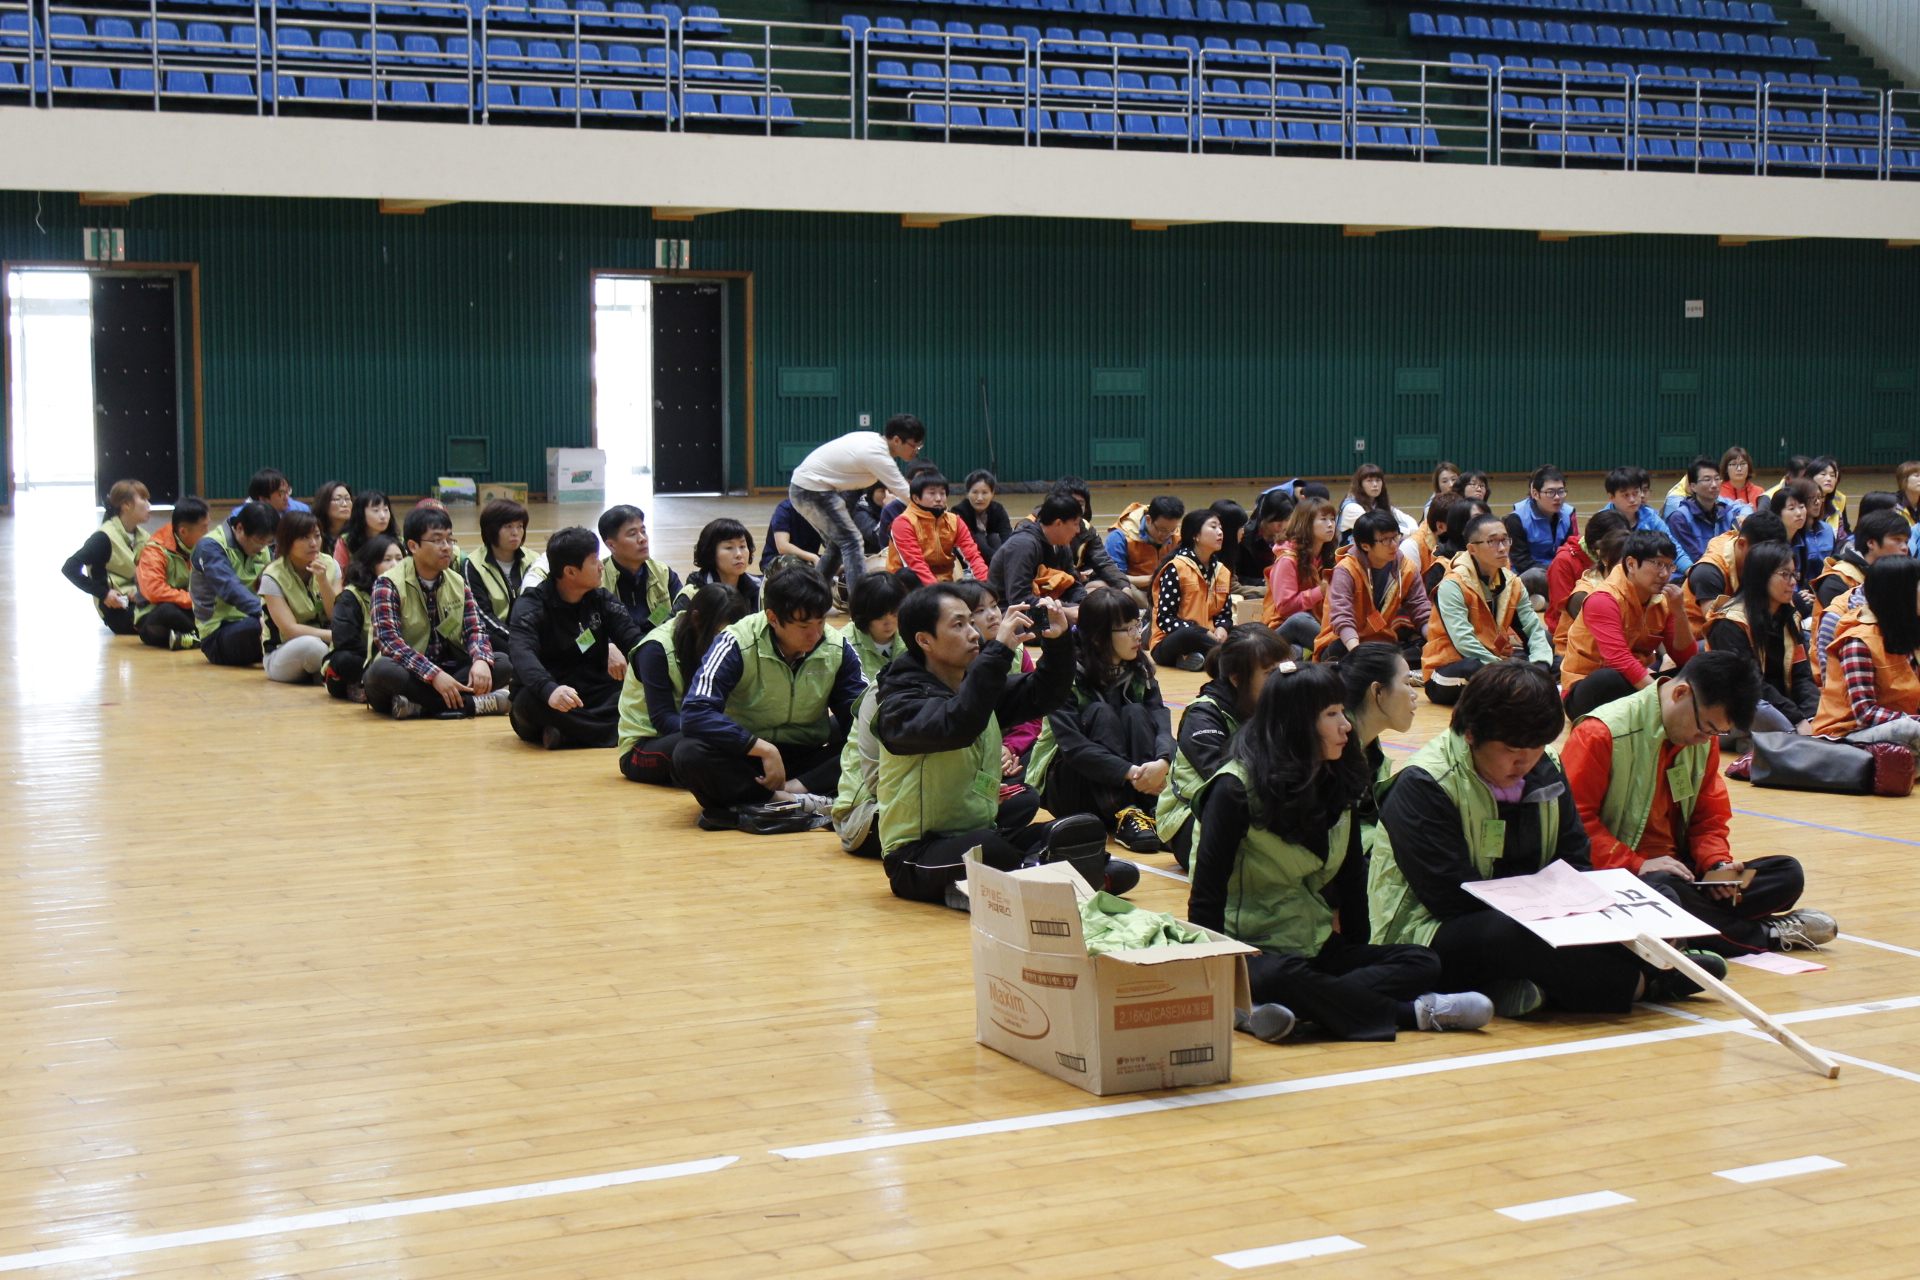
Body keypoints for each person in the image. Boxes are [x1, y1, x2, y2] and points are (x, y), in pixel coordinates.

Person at [1376, 661, 1722, 1018]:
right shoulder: (1425, 783)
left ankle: (1530, 987)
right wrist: (1548, 913)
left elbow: (1575, 857)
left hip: (1539, 912)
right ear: (1471, 734)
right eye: (1511, 751)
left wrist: (1582, 907)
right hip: (1434, 931)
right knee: (1511, 935)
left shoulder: (1547, 765)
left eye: (1537, 748)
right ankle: (1644, 982)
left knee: (1657, 891)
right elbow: (1452, 897)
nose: (1525, 763)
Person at [1188, 661, 1493, 1041]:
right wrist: (1216, 973)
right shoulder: (1234, 789)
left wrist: (1359, 953)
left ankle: (1289, 1009)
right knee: (1282, 977)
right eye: (1331, 714)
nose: (1346, 725)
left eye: (1342, 712)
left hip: (1314, 945)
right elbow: (1206, 895)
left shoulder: (1336, 776)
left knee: (1422, 960)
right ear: (1296, 723)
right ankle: (1412, 1014)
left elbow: (1351, 881)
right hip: (1253, 953)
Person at [874, 585, 1133, 908]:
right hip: (915, 856)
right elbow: (959, 723)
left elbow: (1045, 693)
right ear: (925, 640)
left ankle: (1027, 877)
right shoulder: (900, 703)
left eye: (971, 622)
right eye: (959, 625)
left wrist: (1057, 642)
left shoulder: (974, 688)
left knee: (1080, 830)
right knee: (989, 849)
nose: (973, 633)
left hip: (982, 833)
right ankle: (1052, 876)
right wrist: (1000, 650)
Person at [1564, 650, 1835, 953]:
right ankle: (1762, 934)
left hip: (1682, 873)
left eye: (1717, 732)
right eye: (1706, 727)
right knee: (1667, 891)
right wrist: (1638, 864)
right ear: (1681, 693)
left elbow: (1708, 816)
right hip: (1623, 876)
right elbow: (1575, 826)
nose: (1706, 739)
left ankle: (1694, 927)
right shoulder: (1600, 733)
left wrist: (1716, 863)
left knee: (1787, 873)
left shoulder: (1703, 739)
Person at [674, 567, 867, 829]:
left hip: (807, 759)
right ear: (773, 618)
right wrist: (763, 748)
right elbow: (695, 712)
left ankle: (780, 797)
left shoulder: (837, 647)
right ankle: (787, 800)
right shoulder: (736, 642)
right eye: (804, 626)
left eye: (821, 622)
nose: (815, 634)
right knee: (688, 754)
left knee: (869, 741)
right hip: (749, 758)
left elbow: (859, 715)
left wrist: (799, 782)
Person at [1024, 587, 1176, 854]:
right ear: (1097, 637)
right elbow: (1074, 748)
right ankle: (1126, 811)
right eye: (1127, 629)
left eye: (1137, 624)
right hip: (1069, 784)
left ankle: (1150, 810)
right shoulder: (1064, 675)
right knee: (1101, 713)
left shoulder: (1139, 669)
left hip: (1132, 781)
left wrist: (1162, 762)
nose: (1137, 635)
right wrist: (1132, 773)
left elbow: (1161, 724)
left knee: (1136, 712)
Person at [1155, 624, 1288, 868]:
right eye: (1271, 672)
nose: (1282, 680)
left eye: (1286, 669)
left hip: (1263, 805)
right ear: (1237, 679)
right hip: (1192, 816)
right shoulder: (1203, 715)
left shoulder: (1282, 703)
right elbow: (1226, 784)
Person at [364, 506, 512, 720]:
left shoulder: (457, 582)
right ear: (413, 546)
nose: (447, 547)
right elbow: (389, 642)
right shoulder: (388, 583)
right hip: (410, 672)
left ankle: (420, 706)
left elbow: (476, 629)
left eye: (450, 540)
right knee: (382, 670)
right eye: (437, 540)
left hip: (450, 671)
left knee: (502, 662)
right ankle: (471, 705)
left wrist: (481, 660)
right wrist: (433, 675)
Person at [504, 526, 646, 749]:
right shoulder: (531, 605)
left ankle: (570, 735)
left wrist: (658, 665)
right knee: (528, 703)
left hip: (594, 690)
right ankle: (616, 732)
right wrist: (549, 689)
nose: (601, 566)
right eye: (594, 560)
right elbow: (522, 654)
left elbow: (633, 639)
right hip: (551, 694)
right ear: (570, 572)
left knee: (636, 690)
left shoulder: (602, 600)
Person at [617, 582, 749, 785]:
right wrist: (717, 730)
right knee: (701, 746)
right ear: (696, 619)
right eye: (718, 633)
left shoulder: (730, 645)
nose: (724, 642)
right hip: (645, 747)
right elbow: (662, 718)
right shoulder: (655, 648)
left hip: (699, 731)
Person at [1561, 530, 1696, 717]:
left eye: (1669, 566)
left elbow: (1686, 659)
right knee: (1609, 678)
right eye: (1658, 564)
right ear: (1631, 564)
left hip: (1635, 682)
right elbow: (1619, 660)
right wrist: (1661, 698)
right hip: (1589, 688)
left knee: (1696, 672)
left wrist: (1679, 612)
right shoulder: (1604, 598)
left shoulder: (1663, 600)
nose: (1665, 574)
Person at [1422, 512, 1553, 705]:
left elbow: (1533, 629)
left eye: (1505, 540)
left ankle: (1519, 688)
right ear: (1472, 549)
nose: (1502, 548)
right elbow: (1464, 643)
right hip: (1448, 669)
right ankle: (1520, 689)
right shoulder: (1453, 585)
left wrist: (1540, 667)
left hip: (1496, 663)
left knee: (1553, 660)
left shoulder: (1513, 582)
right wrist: (1508, 671)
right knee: (1474, 669)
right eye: (1492, 542)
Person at [786, 416, 923, 594]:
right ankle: (860, 602)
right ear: (897, 440)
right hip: (812, 490)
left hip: (812, 488)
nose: (916, 451)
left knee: (838, 545)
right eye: (914, 446)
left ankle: (812, 595)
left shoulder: (872, 440)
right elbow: (903, 491)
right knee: (851, 541)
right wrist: (936, 513)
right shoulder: (876, 454)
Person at [1702, 540, 1818, 738]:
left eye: (1794, 574)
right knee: (1758, 706)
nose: (1793, 582)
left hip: (1783, 708)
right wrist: (1797, 718)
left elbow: (1802, 675)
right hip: (1735, 710)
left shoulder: (1790, 617)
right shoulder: (1730, 623)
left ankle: (1773, 741)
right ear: (1761, 576)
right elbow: (1749, 684)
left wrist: (1811, 717)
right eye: (1785, 574)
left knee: (1824, 706)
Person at [1811, 555, 1920, 750]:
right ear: (1902, 593)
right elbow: (1865, 713)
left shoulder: (1904, 632)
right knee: (1910, 729)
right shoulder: (1858, 640)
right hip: (1844, 735)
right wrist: (1913, 719)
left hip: (1896, 725)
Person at [1313, 510, 1430, 667]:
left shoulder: (1406, 567)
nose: (1394, 544)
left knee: (1426, 648)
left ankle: (1381, 663)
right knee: (1340, 651)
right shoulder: (1346, 570)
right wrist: (1359, 654)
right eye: (1385, 540)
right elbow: (1342, 618)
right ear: (1365, 546)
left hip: (1382, 643)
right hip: (1345, 644)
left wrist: (1434, 641)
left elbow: (1420, 607)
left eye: (1396, 536)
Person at [1339, 641, 1420, 862]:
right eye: (1407, 683)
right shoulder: (1334, 748)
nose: (1414, 694)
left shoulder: (1369, 742)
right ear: (1377, 691)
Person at [1813, 510, 1910, 683]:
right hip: (1840, 677)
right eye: (1897, 539)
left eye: (1906, 541)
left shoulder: (1894, 578)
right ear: (1871, 543)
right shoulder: (1837, 581)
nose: (1905, 548)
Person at [191, 500, 278, 667]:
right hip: (218, 634)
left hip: (257, 619)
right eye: (259, 541)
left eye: (268, 542)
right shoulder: (210, 546)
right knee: (265, 626)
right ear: (239, 528)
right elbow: (231, 589)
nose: (262, 548)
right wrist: (268, 614)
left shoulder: (265, 548)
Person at [258, 509, 340, 684]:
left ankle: (326, 675)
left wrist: (323, 581)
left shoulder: (331, 565)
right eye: (304, 538)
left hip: (329, 643)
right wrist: (335, 636)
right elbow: (291, 630)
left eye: (317, 536)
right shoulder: (272, 576)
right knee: (313, 647)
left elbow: (337, 615)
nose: (313, 543)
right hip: (283, 653)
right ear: (287, 541)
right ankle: (330, 674)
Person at [62, 479, 152, 636]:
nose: (149, 505)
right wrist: (103, 593)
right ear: (126, 504)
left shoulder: (144, 537)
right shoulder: (103, 538)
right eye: (143, 499)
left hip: (143, 600)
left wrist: (142, 589)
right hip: (119, 611)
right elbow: (70, 568)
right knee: (164, 615)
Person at [987, 493, 1101, 615]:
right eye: (1076, 524)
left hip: (1045, 605)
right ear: (1058, 523)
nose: (1078, 530)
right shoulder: (1023, 545)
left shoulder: (1061, 544)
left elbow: (1073, 585)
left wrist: (1084, 607)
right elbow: (1018, 599)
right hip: (1006, 613)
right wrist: (1065, 612)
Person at [1149, 508, 1234, 671]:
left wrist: (1222, 627)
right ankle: (1231, 659)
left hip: (1210, 639)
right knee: (1190, 635)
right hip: (1171, 641)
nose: (1220, 532)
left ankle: (1195, 659)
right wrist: (1202, 632)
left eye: (1220, 527)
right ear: (1195, 535)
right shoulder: (1176, 568)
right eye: (1213, 527)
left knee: (1248, 630)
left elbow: (1225, 614)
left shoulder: (1222, 571)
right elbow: (1165, 619)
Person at [1681, 510, 1787, 639]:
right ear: (1742, 544)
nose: (1770, 562)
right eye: (1765, 555)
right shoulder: (1708, 572)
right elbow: (1719, 629)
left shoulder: (1747, 549)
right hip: (1698, 638)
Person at [323, 534, 401, 702]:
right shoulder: (352, 596)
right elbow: (345, 641)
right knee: (343, 659)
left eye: (399, 559)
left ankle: (381, 690)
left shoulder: (409, 591)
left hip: (400, 657)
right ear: (371, 565)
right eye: (387, 560)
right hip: (364, 658)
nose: (395, 565)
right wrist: (384, 654)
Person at [887, 471, 990, 586]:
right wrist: (938, 592)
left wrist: (987, 584)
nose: (939, 499)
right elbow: (915, 564)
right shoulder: (903, 523)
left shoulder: (955, 521)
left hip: (945, 583)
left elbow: (973, 555)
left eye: (942, 493)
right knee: (907, 574)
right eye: (932, 493)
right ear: (916, 498)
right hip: (907, 586)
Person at [1264, 496, 1338, 654]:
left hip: (1318, 623)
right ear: (1306, 523)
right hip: (1284, 627)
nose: (1330, 524)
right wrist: (1320, 592)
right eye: (1324, 519)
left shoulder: (1330, 556)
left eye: (1332, 519)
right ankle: (1333, 654)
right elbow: (1285, 607)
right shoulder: (1287, 559)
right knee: (1300, 620)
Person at [133, 496, 209, 650]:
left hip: (190, 609)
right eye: (204, 528)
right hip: (155, 614)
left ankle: (190, 638)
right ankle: (207, 636)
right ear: (183, 531)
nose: (208, 532)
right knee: (168, 611)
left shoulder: (205, 546)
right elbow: (155, 591)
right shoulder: (154, 550)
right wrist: (193, 600)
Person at [463, 498, 538, 650]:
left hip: (530, 634)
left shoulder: (534, 560)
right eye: (508, 526)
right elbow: (482, 614)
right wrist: (516, 638)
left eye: (520, 526)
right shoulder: (473, 565)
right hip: (496, 636)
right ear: (491, 530)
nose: (515, 532)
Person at [595, 504, 679, 631]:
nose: (642, 539)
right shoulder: (597, 580)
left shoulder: (663, 572)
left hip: (660, 640)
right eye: (632, 534)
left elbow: (682, 614)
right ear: (611, 545)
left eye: (643, 531)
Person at [1502, 465, 1576, 608]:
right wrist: (1556, 571)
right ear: (1535, 494)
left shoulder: (1566, 516)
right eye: (1550, 492)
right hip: (1528, 574)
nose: (1557, 497)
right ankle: (1562, 602)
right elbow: (1521, 562)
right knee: (1535, 575)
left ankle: (1544, 603)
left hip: (1557, 573)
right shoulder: (1517, 519)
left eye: (1561, 492)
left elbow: (1569, 552)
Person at [1599, 465, 1692, 575]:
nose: (1632, 500)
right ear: (1611, 497)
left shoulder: (1651, 517)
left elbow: (1672, 547)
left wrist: (1691, 571)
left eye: (1636, 493)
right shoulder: (1602, 521)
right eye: (1625, 495)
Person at [1104, 494, 1184, 605]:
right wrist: (1152, 579)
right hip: (1135, 590)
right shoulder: (1120, 536)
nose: (1166, 535)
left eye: (1172, 530)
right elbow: (1114, 577)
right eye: (1162, 530)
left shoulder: (1177, 536)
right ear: (1148, 519)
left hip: (1166, 587)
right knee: (1119, 589)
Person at [1664, 456, 1742, 565]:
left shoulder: (1728, 514)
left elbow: (1739, 549)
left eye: (1717, 479)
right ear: (1693, 486)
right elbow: (1695, 558)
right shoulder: (1680, 519)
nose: (1714, 485)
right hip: (1695, 572)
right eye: (1707, 480)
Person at [676, 517, 762, 613]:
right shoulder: (693, 593)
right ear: (710, 552)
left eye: (742, 546)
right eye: (729, 548)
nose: (739, 554)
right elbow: (676, 623)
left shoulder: (760, 588)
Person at [837, 570, 908, 679]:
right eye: (880, 617)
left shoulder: (912, 637)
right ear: (864, 613)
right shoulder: (844, 644)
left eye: (895, 614)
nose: (889, 623)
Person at [1774, 477, 1834, 594]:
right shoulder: (1774, 544)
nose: (1799, 513)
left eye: (1801, 507)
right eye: (1792, 508)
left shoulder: (1823, 531)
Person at [1337, 463, 1417, 539]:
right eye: (1369, 480)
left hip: (1373, 546)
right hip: (1351, 548)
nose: (1375, 484)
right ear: (1360, 485)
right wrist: (1411, 534)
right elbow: (1379, 529)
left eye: (1378, 480)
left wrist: (1414, 530)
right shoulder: (1351, 507)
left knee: (1403, 525)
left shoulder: (1377, 503)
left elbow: (1407, 518)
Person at [1235, 489, 1292, 591]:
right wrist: (1265, 582)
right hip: (1251, 593)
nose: (1282, 525)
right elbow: (1236, 577)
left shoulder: (1292, 537)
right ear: (1265, 515)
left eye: (1287, 520)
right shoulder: (1243, 537)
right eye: (1277, 519)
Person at [957, 470, 1013, 563]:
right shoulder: (959, 511)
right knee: (979, 537)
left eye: (985, 493)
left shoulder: (998, 509)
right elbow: (970, 539)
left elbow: (1006, 534)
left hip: (996, 555)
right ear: (967, 493)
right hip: (968, 556)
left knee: (994, 537)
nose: (980, 498)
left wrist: (1005, 555)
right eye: (975, 492)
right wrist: (993, 556)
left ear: (992, 493)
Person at [336, 489, 396, 571]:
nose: (383, 516)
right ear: (361, 514)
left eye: (386, 510)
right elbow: (340, 574)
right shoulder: (346, 541)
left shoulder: (398, 541)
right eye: (376, 510)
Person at [761, 497, 823, 571]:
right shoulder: (785, 508)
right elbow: (783, 547)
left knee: (833, 561)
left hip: (809, 560)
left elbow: (831, 544)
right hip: (779, 559)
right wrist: (813, 557)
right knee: (792, 563)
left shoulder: (822, 511)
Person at [314, 481, 353, 550]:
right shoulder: (314, 531)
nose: (345, 504)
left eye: (347, 499)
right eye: (338, 499)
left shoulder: (357, 533)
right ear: (324, 503)